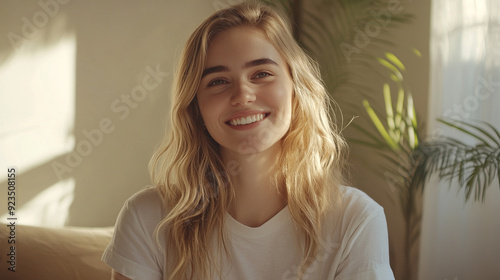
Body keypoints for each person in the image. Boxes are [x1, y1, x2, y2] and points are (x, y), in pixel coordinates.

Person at [102, 2, 394, 280]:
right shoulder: (147, 218)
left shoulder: (355, 220)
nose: (242, 95)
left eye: (262, 74)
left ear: (296, 88)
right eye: (217, 81)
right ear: (196, 107)